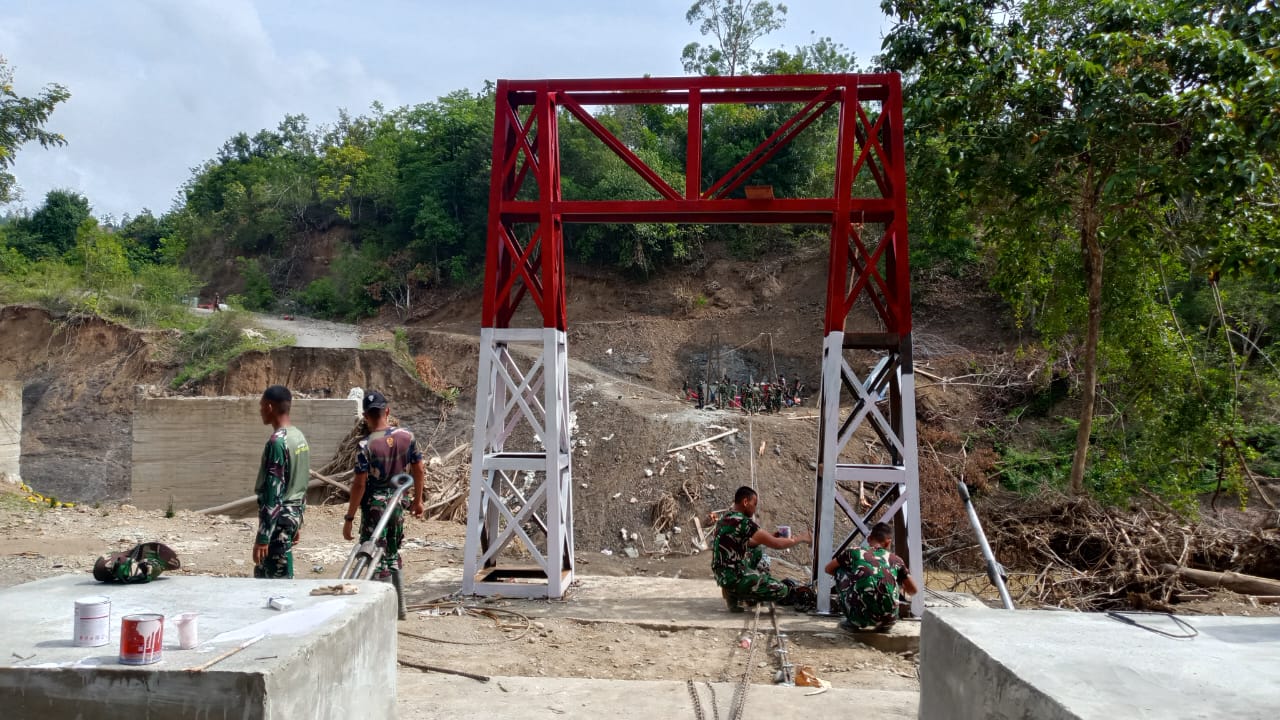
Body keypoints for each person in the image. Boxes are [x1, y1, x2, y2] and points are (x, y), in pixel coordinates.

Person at [344, 390, 425, 619]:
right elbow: (419, 469)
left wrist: (349, 518)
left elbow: (359, 485)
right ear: (387, 411)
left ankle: (384, 616)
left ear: (365, 416)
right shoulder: (406, 437)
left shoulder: (365, 446)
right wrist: (418, 501)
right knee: (392, 553)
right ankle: (401, 609)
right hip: (398, 505)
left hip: (375, 510)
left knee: (376, 558)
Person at [712, 486, 812, 611]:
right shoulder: (743, 522)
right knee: (782, 589)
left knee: (756, 550)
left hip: (722, 575)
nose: (755, 509)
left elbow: (751, 543)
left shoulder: (725, 519)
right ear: (745, 502)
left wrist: (769, 536)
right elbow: (777, 544)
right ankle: (741, 593)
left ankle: (732, 592)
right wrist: (801, 538)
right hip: (732, 577)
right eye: (754, 504)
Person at [253, 385, 310, 579]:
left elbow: (273, 493)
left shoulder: (277, 442)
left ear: (269, 407)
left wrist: (262, 537)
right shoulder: (299, 437)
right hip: (292, 516)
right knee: (269, 570)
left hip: (278, 520)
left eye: (261, 406)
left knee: (276, 581)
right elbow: (301, 484)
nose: (260, 410)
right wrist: (296, 523)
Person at [824, 521, 919, 631]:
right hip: (889, 620)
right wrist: (898, 585)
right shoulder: (896, 560)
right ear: (888, 543)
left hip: (858, 618)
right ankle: (884, 621)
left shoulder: (853, 552)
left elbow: (828, 569)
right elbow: (913, 590)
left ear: (869, 539)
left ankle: (853, 620)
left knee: (839, 570)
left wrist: (851, 577)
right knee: (891, 577)